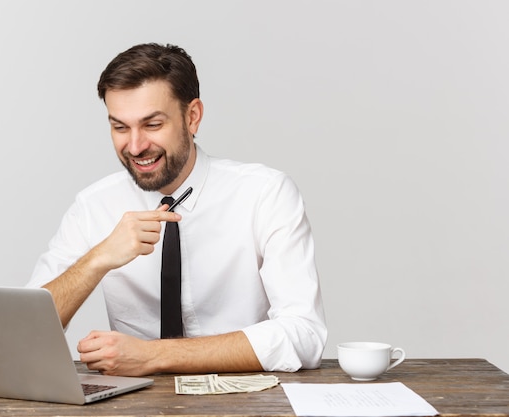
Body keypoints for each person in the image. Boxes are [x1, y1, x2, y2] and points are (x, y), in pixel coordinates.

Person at [27, 43, 327, 376]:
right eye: (120, 127)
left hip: (245, 400)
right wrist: (98, 258)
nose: (136, 146)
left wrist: (152, 356)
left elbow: (304, 334)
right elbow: (23, 333)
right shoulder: (93, 206)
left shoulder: (265, 194)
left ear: (192, 116)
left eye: (152, 125)